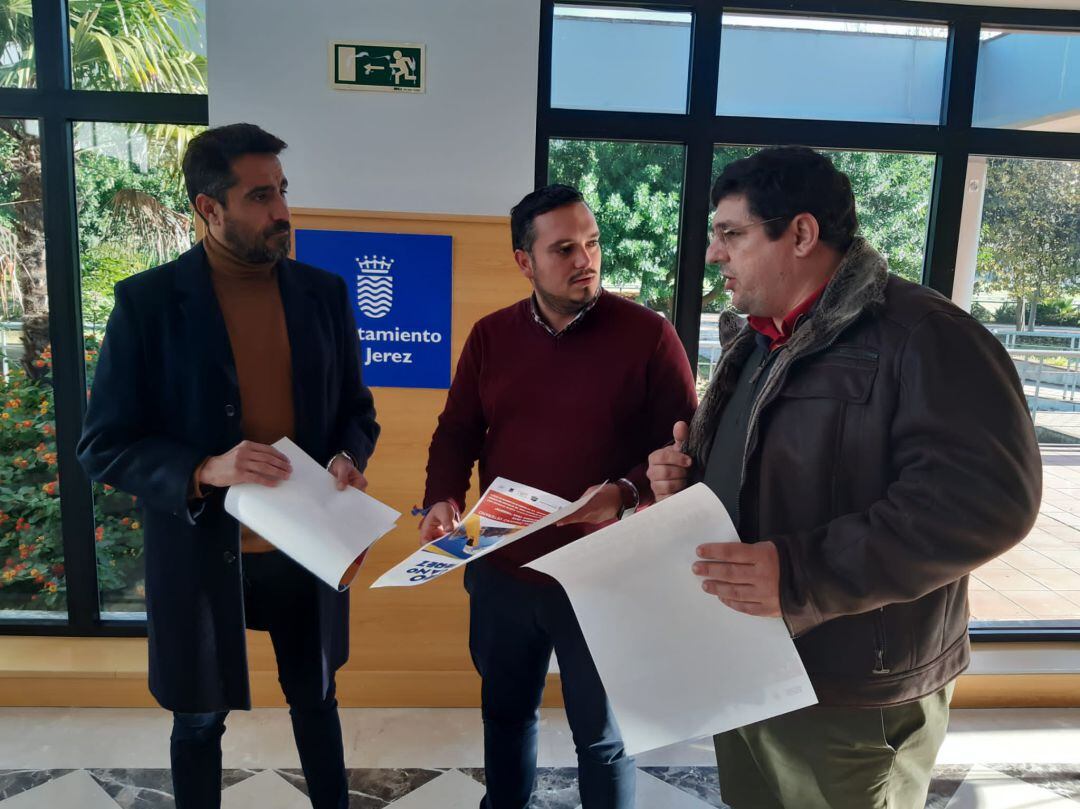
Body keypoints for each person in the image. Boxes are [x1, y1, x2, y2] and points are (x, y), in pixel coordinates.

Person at [646, 146, 1042, 809]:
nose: (714, 254)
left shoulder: (924, 336)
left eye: (731, 234)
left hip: (854, 687)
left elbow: (984, 502)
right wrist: (686, 483)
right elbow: (767, 474)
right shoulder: (757, 342)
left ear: (799, 234)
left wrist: (799, 574)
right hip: (748, 660)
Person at [77, 123, 379, 809]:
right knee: (198, 716)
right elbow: (103, 443)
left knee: (317, 699)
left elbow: (358, 411)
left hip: (306, 548)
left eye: (282, 192)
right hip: (202, 552)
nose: (281, 212)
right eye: (260, 196)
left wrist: (347, 455)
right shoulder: (146, 304)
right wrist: (204, 467)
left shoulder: (323, 294)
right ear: (208, 209)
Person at [419, 184, 697, 809]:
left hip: (601, 573)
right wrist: (441, 496)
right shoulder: (492, 336)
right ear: (525, 261)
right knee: (507, 715)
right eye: (565, 248)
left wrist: (625, 491)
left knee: (600, 738)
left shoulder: (649, 335)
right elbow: (457, 428)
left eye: (593, 243)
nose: (586, 260)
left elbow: (684, 446)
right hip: (501, 563)